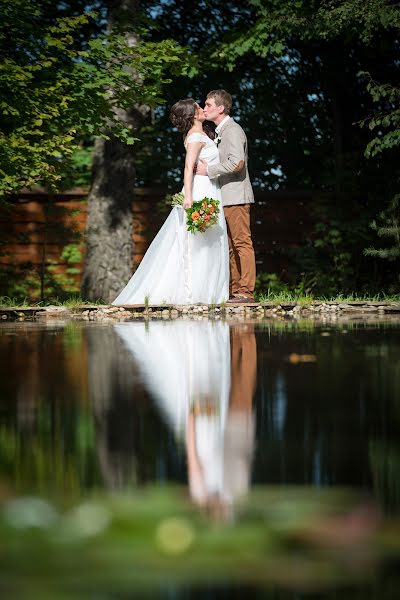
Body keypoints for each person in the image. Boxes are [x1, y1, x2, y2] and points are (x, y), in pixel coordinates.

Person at [112, 98, 229, 306]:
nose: (202, 109)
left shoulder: (202, 134)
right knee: (197, 240)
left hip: (211, 187)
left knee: (210, 238)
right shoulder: (194, 137)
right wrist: (189, 198)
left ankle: (210, 290)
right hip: (200, 188)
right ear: (192, 114)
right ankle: (194, 291)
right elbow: (187, 168)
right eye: (198, 108)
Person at [196, 90, 256, 303]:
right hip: (226, 196)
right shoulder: (222, 131)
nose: (204, 108)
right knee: (229, 247)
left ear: (221, 108)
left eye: (208, 105)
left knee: (241, 243)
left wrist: (209, 170)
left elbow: (237, 162)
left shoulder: (232, 130)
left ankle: (246, 292)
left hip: (236, 195)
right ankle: (234, 290)